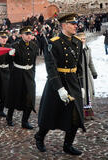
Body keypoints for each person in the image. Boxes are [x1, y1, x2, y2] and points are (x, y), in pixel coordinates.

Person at [35, 14, 85, 155]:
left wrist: (81, 86)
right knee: (50, 115)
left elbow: (79, 67)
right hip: (57, 82)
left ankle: (67, 145)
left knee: (76, 115)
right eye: (73, 23)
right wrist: (59, 88)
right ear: (64, 25)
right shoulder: (53, 42)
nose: (76, 26)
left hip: (73, 82)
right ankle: (39, 136)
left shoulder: (78, 42)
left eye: (76, 23)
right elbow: (51, 68)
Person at [5, 26, 38, 129]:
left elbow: (33, 61)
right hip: (18, 74)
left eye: (30, 34)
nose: (29, 36)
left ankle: (25, 121)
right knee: (15, 96)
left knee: (30, 97)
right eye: (26, 34)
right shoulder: (15, 45)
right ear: (21, 35)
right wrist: (9, 55)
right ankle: (9, 117)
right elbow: (8, 62)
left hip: (29, 74)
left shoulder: (34, 45)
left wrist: (33, 73)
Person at [77, 32, 98, 120]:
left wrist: (94, 72)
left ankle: (89, 112)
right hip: (79, 75)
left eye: (84, 39)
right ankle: (82, 113)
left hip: (87, 74)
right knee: (82, 93)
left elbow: (90, 62)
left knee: (89, 92)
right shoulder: (76, 49)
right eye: (81, 39)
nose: (83, 40)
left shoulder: (88, 49)